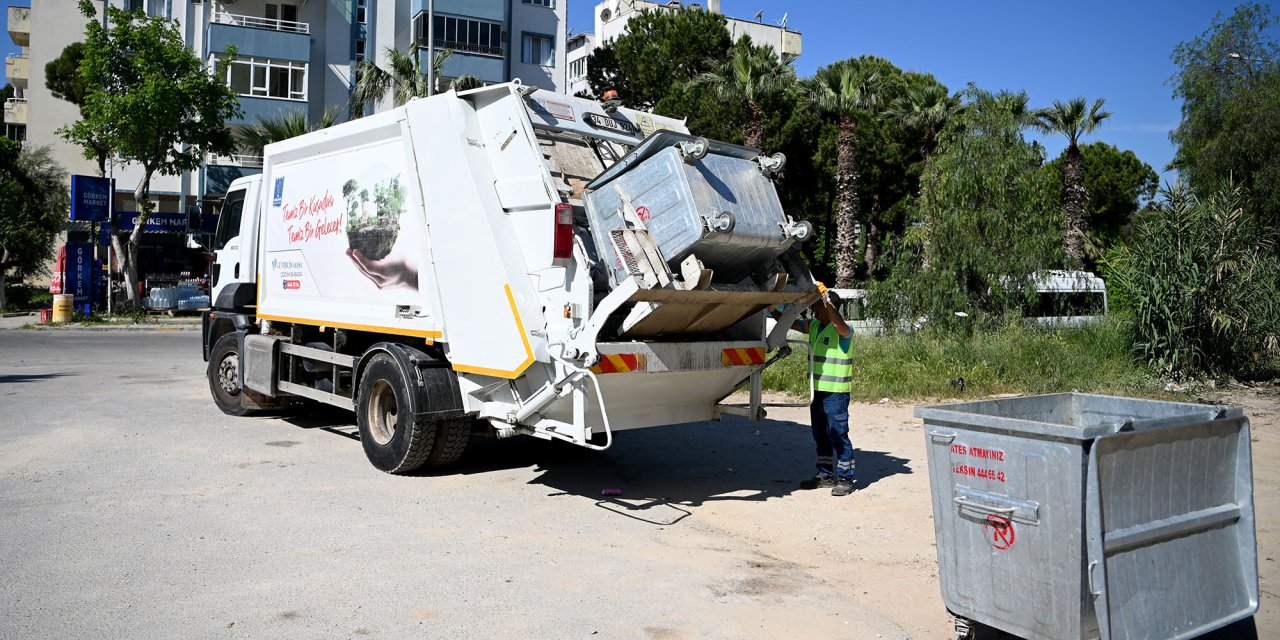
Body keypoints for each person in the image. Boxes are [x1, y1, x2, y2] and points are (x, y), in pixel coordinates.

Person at [777, 285, 856, 496]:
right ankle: (825, 475)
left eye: (818, 306)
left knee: (838, 433)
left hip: (836, 393)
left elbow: (837, 322)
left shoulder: (844, 331)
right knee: (820, 434)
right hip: (817, 392)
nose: (814, 309)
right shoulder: (813, 326)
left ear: (830, 308)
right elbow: (790, 323)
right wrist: (772, 308)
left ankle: (846, 478)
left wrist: (826, 299)